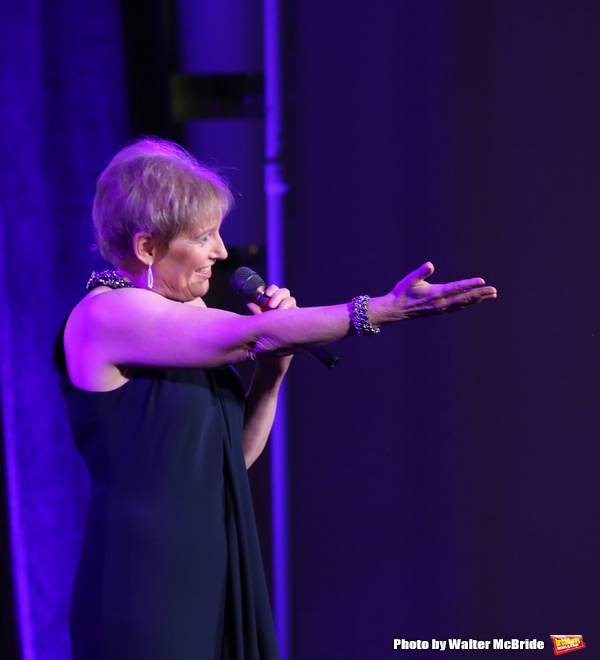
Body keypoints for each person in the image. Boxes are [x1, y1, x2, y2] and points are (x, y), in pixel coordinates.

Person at [53, 137, 497, 660]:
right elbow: (251, 335)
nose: (220, 252)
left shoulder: (188, 321)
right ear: (148, 248)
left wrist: (273, 369)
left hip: (213, 564)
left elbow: (233, 457)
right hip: (145, 580)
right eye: (203, 237)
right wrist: (377, 311)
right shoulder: (106, 317)